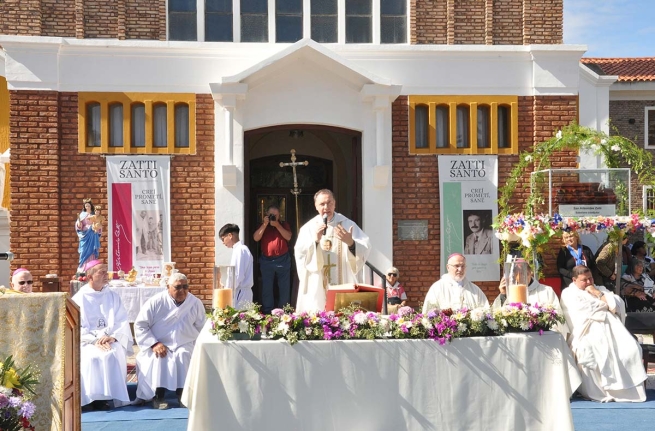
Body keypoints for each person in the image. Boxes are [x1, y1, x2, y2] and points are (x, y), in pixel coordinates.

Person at [560, 265, 646, 402]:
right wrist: (604, 304)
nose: (589, 282)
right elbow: (583, 310)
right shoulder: (568, 293)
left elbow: (617, 304)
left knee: (632, 349)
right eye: (584, 280)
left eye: (591, 278)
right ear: (574, 280)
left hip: (612, 328)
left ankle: (627, 391)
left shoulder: (600, 289)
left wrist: (597, 293)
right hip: (586, 330)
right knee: (590, 352)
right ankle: (601, 391)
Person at [134, 272, 206, 410]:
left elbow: (201, 327)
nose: (182, 291)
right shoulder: (156, 301)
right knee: (161, 357)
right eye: (178, 287)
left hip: (184, 343)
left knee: (184, 354)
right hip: (158, 343)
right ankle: (158, 396)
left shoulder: (195, 303)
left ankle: (183, 395)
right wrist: (154, 343)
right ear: (168, 287)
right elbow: (141, 325)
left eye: (185, 287)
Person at [295, 189, 371, 312]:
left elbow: (365, 246)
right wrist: (315, 241)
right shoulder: (308, 228)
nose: (326, 207)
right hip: (318, 282)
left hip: (344, 280)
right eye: (322, 204)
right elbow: (300, 254)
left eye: (329, 203)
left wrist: (351, 243)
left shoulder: (347, 224)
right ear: (316, 206)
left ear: (335, 204)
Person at [72, 259, 132, 410]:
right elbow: (77, 326)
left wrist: (113, 337)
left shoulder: (112, 296)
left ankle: (109, 396)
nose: (107, 275)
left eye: (107, 271)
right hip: (87, 341)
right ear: (90, 276)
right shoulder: (79, 298)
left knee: (113, 352)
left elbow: (121, 320)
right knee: (93, 357)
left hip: (110, 338)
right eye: (102, 272)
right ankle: (93, 398)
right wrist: (95, 340)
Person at [492, 263, 569, 337]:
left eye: (525, 274)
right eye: (519, 275)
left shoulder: (546, 290)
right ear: (515, 276)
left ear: (530, 273)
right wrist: (503, 294)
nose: (522, 277)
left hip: (542, 337)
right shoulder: (511, 292)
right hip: (518, 336)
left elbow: (557, 314)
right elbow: (497, 314)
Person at [253, 205, 293, 314]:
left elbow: (288, 237)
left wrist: (277, 225)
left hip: (283, 259)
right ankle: (267, 311)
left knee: (284, 287)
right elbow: (256, 238)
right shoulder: (262, 225)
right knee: (267, 287)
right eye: (271, 215)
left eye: (275, 215)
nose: (273, 217)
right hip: (266, 260)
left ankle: (284, 311)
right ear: (266, 215)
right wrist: (265, 224)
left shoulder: (284, 224)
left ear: (279, 215)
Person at [422, 253, 488, 313]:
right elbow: (428, 313)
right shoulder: (437, 288)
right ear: (448, 267)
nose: (460, 269)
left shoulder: (475, 290)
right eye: (457, 266)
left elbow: (486, 310)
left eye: (463, 266)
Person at [219, 223, 254, 309]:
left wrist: (227, 291)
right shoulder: (239, 249)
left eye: (223, 239)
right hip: (241, 291)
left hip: (240, 292)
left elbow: (237, 275)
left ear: (230, 235)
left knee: (239, 319)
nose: (223, 243)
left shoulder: (240, 250)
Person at [76, 198, 102, 272]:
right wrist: (79, 224)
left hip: (93, 234)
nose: (87, 207)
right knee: (83, 250)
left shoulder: (94, 214)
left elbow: (99, 224)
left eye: (89, 206)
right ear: (84, 207)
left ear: (91, 206)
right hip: (84, 235)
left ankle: (92, 267)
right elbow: (78, 226)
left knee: (93, 250)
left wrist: (98, 228)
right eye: (86, 206)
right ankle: (83, 267)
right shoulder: (82, 215)